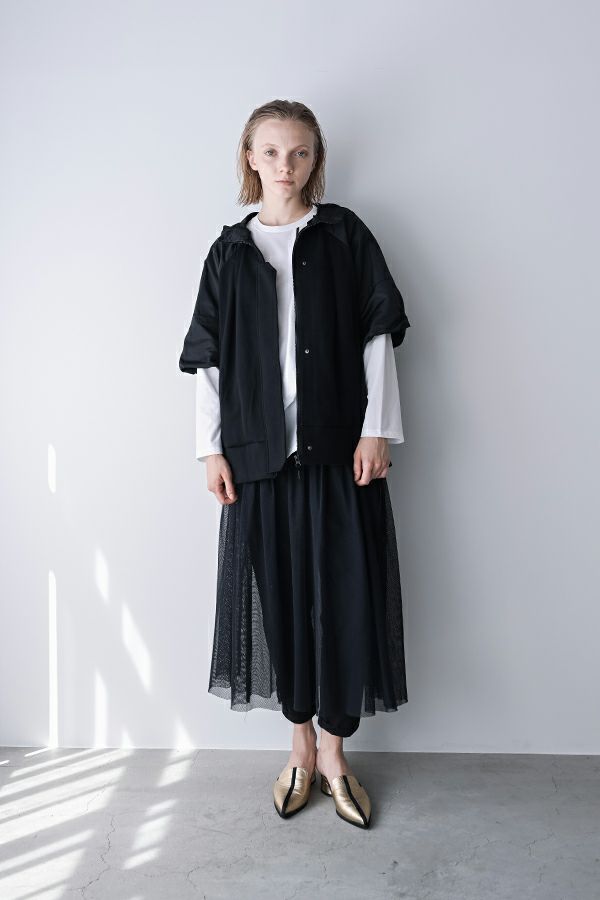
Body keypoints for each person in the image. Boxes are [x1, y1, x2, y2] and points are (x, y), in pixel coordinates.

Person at [179, 99, 410, 829]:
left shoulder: (344, 235)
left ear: (316, 160)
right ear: (250, 158)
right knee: (279, 602)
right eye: (272, 151)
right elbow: (208, 360)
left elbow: (378, 333)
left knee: (344, 598)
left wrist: (377, 430)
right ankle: (300, 748)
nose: (286, 165)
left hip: (341, 451)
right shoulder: (228, 252)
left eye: (300, 152)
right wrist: (211, 448)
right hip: (258, 459)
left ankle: (336, 756)